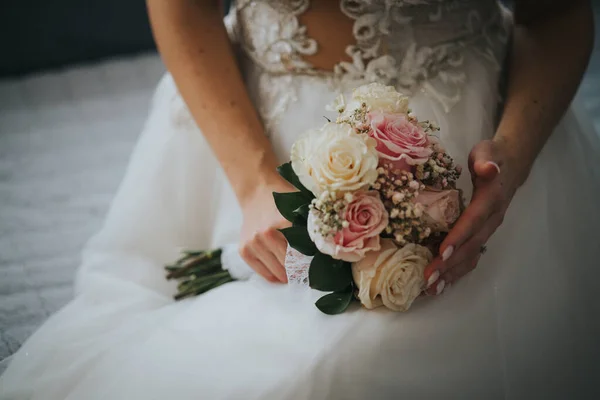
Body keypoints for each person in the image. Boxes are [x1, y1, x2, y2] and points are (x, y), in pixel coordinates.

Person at [1, 0, 599, 398]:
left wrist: (512, 162)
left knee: (357, 367)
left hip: (466, 136)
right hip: (250, 124)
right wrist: (254, 180)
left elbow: (556, 12)